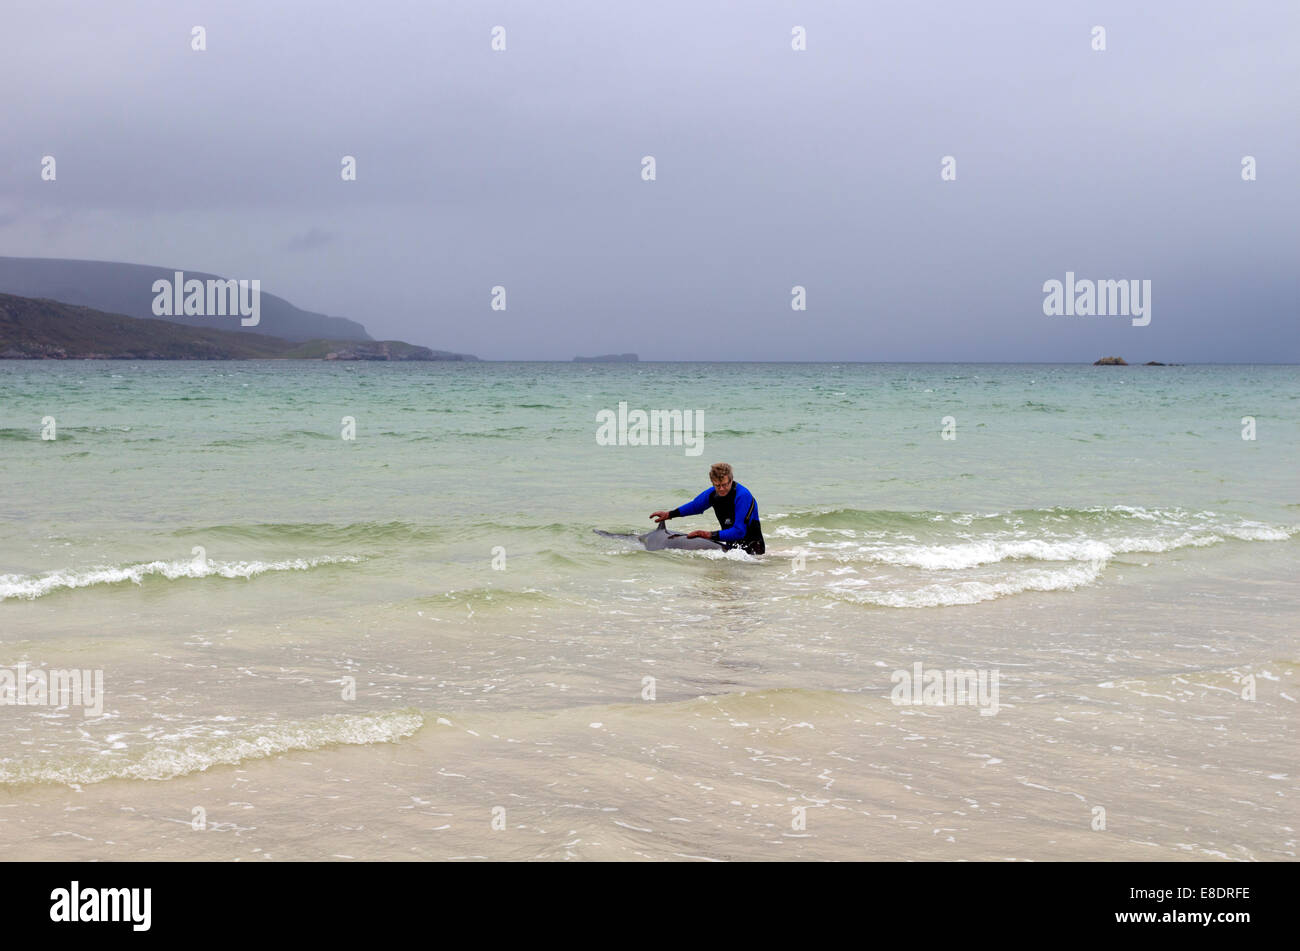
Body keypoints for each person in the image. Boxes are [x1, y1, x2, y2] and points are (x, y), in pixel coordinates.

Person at [650, 462, 765, 555]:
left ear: (731, 480)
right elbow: (695, 506)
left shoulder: (742, 496)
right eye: (717, 485)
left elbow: (739, 531)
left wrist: (709, 535)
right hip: (731, 551)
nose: (721, 489)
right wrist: (669, 514)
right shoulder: (712, 494)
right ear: (712, 483)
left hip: (753, 552)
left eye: (725, 484)